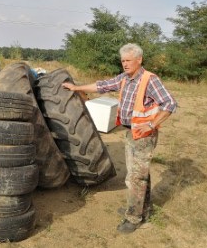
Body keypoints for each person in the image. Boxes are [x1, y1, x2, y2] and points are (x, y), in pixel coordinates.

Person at [62, 43, 177, 234]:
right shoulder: (125, 78)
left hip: (144, 136)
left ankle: (133, 217)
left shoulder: (150, 80)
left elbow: (170, 103)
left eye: (128, 60)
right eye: (122, 60)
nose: (124, 64)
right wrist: (76, 87)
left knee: (134, 178)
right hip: (130, 133)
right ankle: (143, 210)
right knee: (140, 175)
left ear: (139, 60)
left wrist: (151, 124)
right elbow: (102, 85)